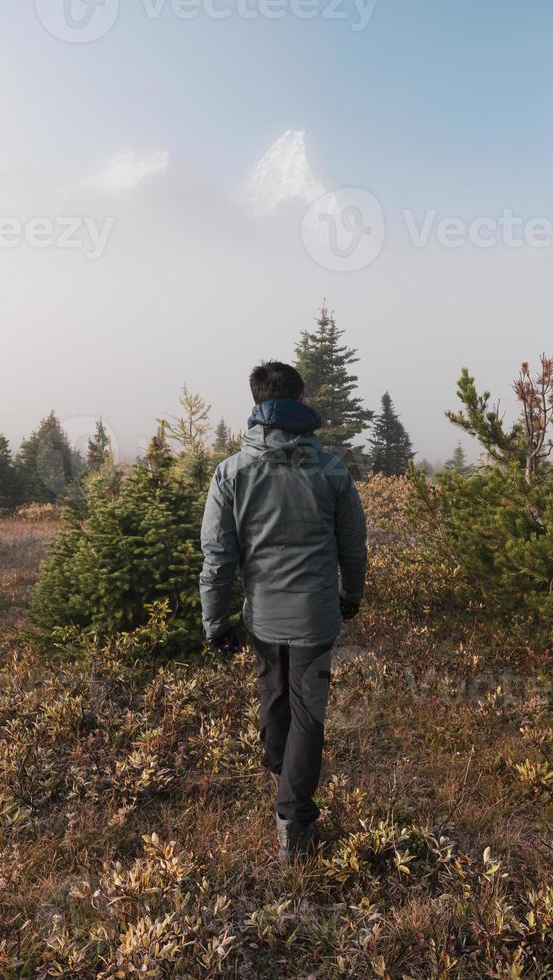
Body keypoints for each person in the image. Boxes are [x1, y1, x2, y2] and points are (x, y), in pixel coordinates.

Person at [199, 360, 367, 861]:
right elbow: (353, 546)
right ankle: (293, 818)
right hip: (316, 616)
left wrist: (214, 622)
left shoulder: (231, 472)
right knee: (307, 714)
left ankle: (281, 771)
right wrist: (351, 594)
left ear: (257, 405)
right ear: (301, 401)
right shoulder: (331, 469)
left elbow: (218, 556)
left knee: (273, 692)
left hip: (263, 617)